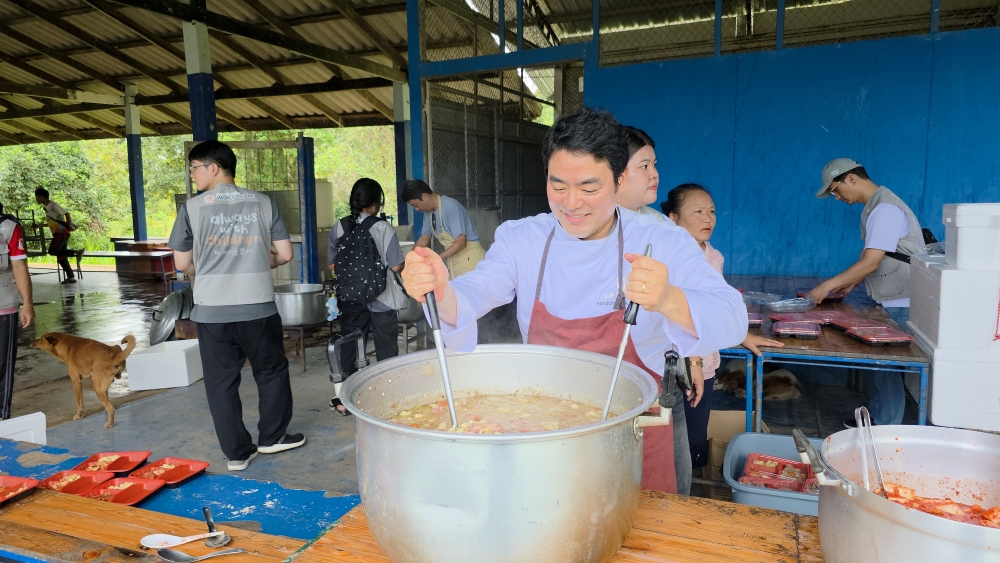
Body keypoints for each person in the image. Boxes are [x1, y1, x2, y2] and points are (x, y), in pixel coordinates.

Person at [402, 107, 747, 495]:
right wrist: (441, 288)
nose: (571, 203)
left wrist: (669, 299)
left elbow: (733, 317)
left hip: (636, 425)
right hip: (550, 427)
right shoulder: (524, 238)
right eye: (558, 185)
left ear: (618, 181)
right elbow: (474, 294)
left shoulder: (662, 241)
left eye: (589, 187)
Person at [168, 140, 305, 471]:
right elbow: (286, 254)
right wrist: (258, 259)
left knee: (220, 382)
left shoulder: (192, 209)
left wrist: (210, 263)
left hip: (212, 312)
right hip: (257, 307)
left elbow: (182, 264)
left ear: (213, 168)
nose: (192, 176)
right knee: (270, 371)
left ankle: (237, 453)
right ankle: (272, 438)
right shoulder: (262, 203)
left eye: (194, 168)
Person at [660, 184, 785, 470]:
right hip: (676, 362)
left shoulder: (713, 256)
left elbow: (714, 306)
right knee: (670, 438)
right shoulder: (666, 257)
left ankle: (692, 490)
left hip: (704, 364)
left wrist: (742, 335)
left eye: (712, 211)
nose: (708, 218)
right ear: (673, 218)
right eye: (698, 211)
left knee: (694, 435)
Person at [809, 159, 922, 428]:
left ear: (851, 179)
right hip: (890, 296)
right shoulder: (873, 208)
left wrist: (827, 285)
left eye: (835, 190)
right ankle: (877, 417)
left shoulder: (885, 209)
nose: (837, 197)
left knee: (885, 367)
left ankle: (885, 429)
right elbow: (885, 256)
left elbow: (871, 262)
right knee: (879, 365)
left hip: (901, 300)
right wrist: (852, 283)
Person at [328, 178, 407, 415]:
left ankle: (345, 400)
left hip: (350, 299)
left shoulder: (338, 227)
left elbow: (332, 265)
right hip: (381, 298)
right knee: (386, 348)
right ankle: (387, 400)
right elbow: (395, 267)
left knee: (349, 347)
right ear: (375, 203)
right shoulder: (383, 227)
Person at [402, 179, 485, 279]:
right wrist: (407, 262)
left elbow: (461, 242)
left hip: (471, 259)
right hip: (455, 260)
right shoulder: (428, 214)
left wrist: (437, 258)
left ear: (425, 196)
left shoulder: (451, 207)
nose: (417, 209)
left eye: (415, 205)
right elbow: (423, 240)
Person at [0, 204, 34, 420]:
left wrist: (27, 303)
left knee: (2, 362)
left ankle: (1, 416)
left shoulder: (9, 227)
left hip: (3, 304)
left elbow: (20, 267)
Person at [35, 188, 81, 284]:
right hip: (58, 232)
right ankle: (71, 277)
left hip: (62, 232)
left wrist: (69, 226)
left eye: (37, 197)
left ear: (41, 197)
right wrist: (40, 225)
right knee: (61, 257)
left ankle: (77, 252)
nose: (36, 200)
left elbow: (67, 213)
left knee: (52, 250)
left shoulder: (53, 205)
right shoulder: (47, 208)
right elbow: (53, 222)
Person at [618, 127, 664, 218]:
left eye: (654, 165)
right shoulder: (590, 227)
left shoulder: (664, 225)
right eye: (644, 166)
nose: (655, 174)